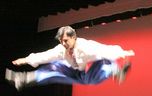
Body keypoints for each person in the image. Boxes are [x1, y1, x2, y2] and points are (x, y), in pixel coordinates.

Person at [5, 26, 135, 90]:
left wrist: (121, 52)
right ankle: (22, 79)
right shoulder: (61, 49)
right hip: (75, 72)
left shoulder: (85, 47)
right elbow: (45, 55)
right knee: (54, 67)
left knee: (104, 62)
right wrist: (25, 60)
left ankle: (116, 71)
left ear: (74, 37)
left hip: (87, 74)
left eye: (66, 40)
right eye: (61, 41)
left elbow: (103, 49)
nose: (64, 44)